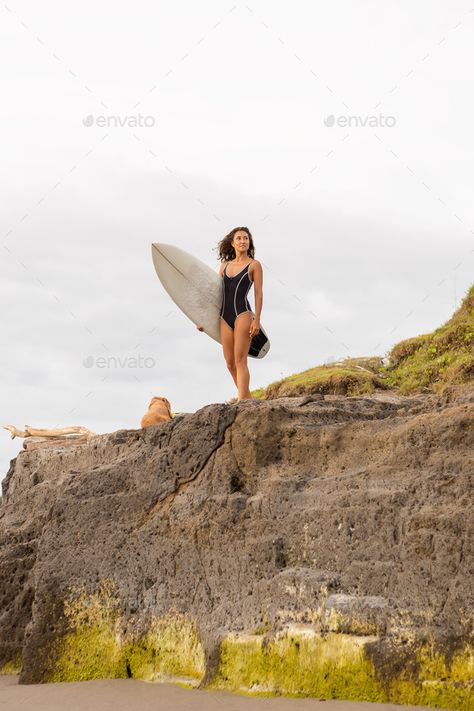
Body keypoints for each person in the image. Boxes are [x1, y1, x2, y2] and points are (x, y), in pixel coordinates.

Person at [197, 226, 263, 401]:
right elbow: (216, 295)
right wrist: (204, 321)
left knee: (240, 360)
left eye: (246, 238)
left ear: (249, 243)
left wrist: (257, 320)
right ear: (233, 243)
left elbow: (258, 293)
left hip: (243, 314)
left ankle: (241, 401)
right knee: (229, 363)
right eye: (239, 238)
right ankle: (247, 398)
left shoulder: (254, 265)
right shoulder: (224, 266)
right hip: (224, 317)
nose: (243, 241)